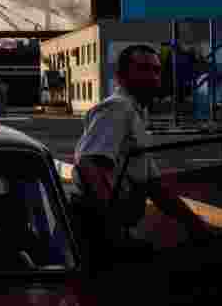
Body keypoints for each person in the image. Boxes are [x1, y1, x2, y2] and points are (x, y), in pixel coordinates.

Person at [72, 44, 211, 264]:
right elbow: (90, 165)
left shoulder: (136, 113)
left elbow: (154, 186)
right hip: (98, 233)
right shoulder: (118, 108)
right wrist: (113, 228)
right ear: (121, 76)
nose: (153, 76)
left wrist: (194, 223)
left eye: (156, 70)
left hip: (114, 229)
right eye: (144, 69)